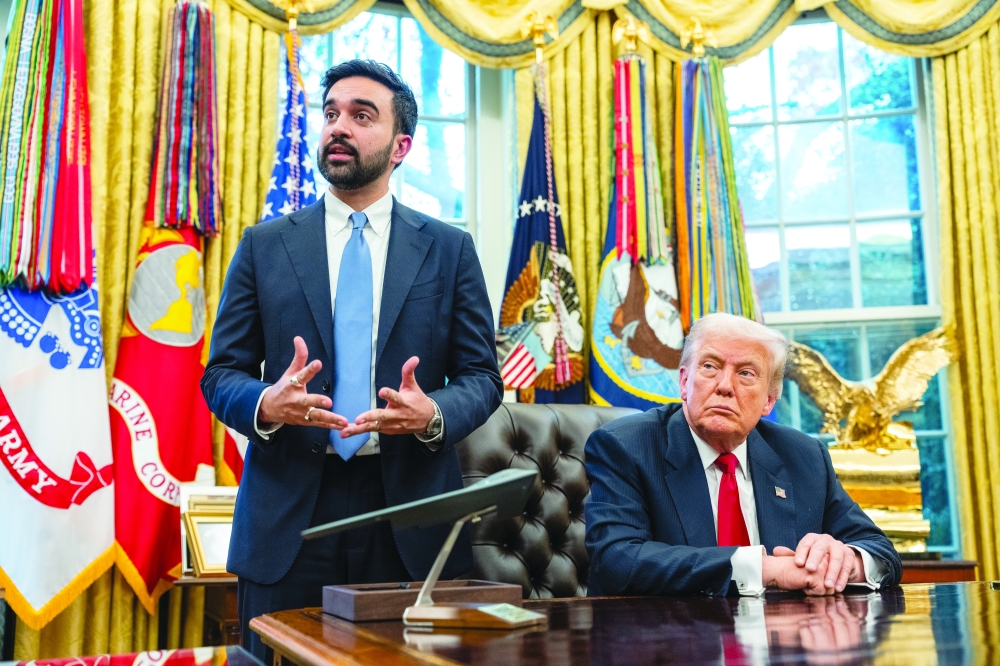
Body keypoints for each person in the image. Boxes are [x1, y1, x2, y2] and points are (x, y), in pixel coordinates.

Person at [201, 59, 502, 659]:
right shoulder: (265, 245)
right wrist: (266, 402)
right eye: (332, 113)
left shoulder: (448, 250)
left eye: (362, 116)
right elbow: (219, 374)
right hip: (288, 513)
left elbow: (481, 377)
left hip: (408, 516)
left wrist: (433, 414)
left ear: (401, 145)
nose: (339, 126)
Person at [585, 312, 901, 598]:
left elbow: (881, 552)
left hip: (782, 645)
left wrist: (843, 562)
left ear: (769, 401)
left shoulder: (803, 456)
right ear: (684, 381)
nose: (725, 386)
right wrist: (767, 569)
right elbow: (616, 561)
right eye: (710, 366)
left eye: (746, 373)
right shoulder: (626, 446)